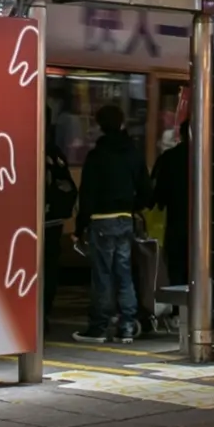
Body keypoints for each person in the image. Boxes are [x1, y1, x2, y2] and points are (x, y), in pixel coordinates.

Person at [73, 105, 151, 344]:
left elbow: (87, 195)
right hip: (125, 219)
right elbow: (147, 192)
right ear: (121, 123)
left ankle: (99, 326)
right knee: (124, 273)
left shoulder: (96, 156)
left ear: (100, 126)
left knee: (103, 275)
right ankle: (127, 326)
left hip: (101, 221)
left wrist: (79, 228)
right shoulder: (133, 153)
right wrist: (132, 206)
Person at [43, 119, 79, 325]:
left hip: (32, 223)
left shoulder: (26, 149)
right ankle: (44, 312)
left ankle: (37, 313)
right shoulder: (56, 154)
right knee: (49, 268)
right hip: (54, 221)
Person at [151, 120, 190, 287]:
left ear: (181, 134)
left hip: (176, 223)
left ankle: (178, 301)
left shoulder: (168, 158)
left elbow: (158, 193)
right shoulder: (211, 158)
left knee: (176, 269)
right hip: (206, 227)